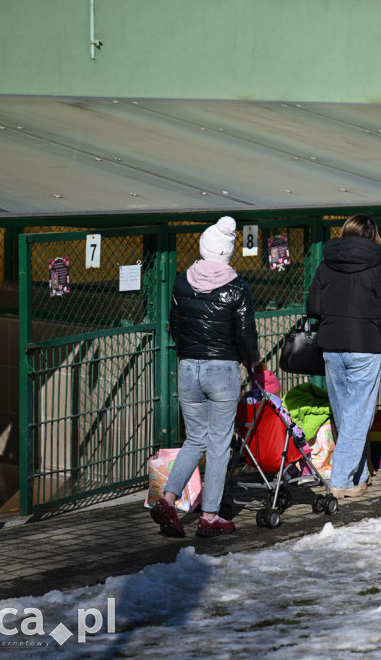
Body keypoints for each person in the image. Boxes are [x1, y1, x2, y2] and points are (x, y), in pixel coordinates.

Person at [152, 216, 259, 539]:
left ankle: (168, 499)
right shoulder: (238, 287)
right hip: (222, 370)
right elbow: (245, 335)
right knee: (219, 444)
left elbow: (175, 323)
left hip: (188, 368)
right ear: (227, 253)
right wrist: (253, 363)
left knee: (194, 439)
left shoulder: (183, 281)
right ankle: (210, 516)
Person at [307, 214, 381, 501]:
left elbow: (313, 305)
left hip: (332, 346)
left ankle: (358, 477)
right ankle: (339, 481)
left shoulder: (327, 263)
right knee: (358, 417)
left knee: (346, 415)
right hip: (366, 346)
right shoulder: (379, 266)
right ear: (373, 235)